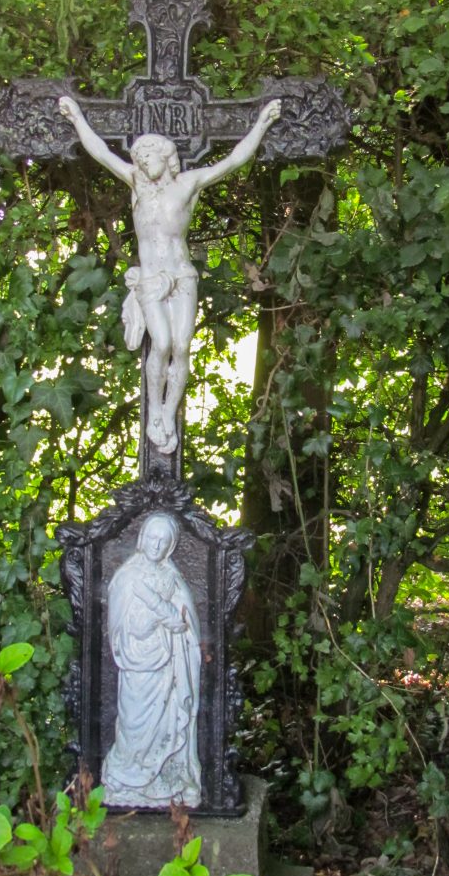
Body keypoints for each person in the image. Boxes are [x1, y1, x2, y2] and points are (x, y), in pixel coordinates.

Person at [58, 95, 282, 454]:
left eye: (149, 157)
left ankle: (166, 411)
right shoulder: (135, 183)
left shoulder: (188, 184)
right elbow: (99, 152)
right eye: (140, 158)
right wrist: (77, 118)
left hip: (182, 276)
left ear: (166, 157)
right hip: (151, 279)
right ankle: (154, 413)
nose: (144, 163)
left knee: (181, 348)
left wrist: (261, 124)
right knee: (160, 345)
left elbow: (234, 160)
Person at [101, 512, 201, 808]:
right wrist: (145, 626)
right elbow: (118, 628)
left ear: (170, 546)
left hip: (169, 667)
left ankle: (171, 778)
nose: (156, 545)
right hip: (137, 664)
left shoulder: (172, 577)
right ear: (142, 539)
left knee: (168, 722)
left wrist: (178, 624)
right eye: (152, 538)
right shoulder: (126, 578)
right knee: (133, 722)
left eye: (163, 541)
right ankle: (125, 776)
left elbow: (187, 620)